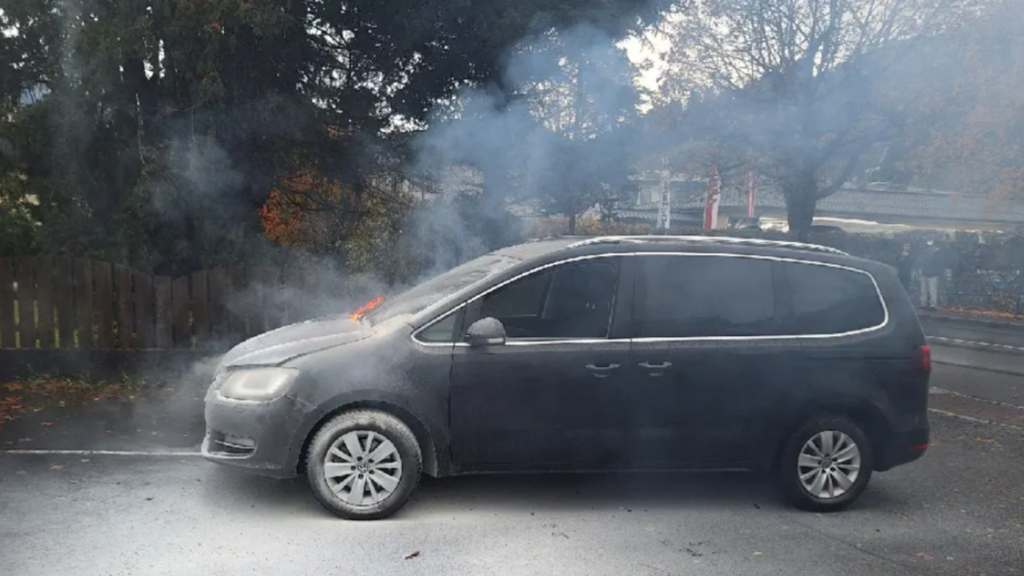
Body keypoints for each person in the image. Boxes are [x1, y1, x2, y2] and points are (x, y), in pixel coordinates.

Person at [919, 240, 944, 309]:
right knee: (923, 290)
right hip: (925, 274)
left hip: (933, 275)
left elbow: (939, 265)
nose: (928, 248)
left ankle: (933, 305)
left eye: (930, 247)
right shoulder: (925, 254)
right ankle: (923, 304)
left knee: (932, 291)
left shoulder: (938, 255)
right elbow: (922, 263)